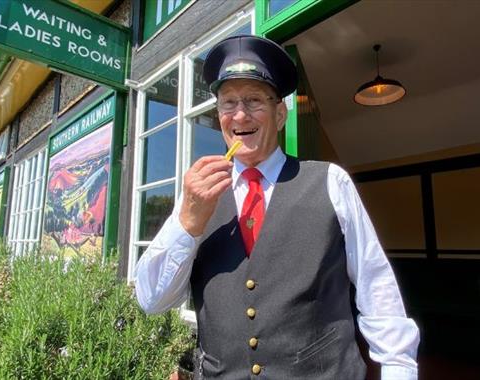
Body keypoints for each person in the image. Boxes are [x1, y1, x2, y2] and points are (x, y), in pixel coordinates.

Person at [135, 35, 419, 379]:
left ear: (280, 114)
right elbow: (151, 300)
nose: (239, 114)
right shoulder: (196, 197)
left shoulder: (331, 182)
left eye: (254, 100)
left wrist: (398, 369)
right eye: (228, 103)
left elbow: (378, 289)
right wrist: (188, 222)